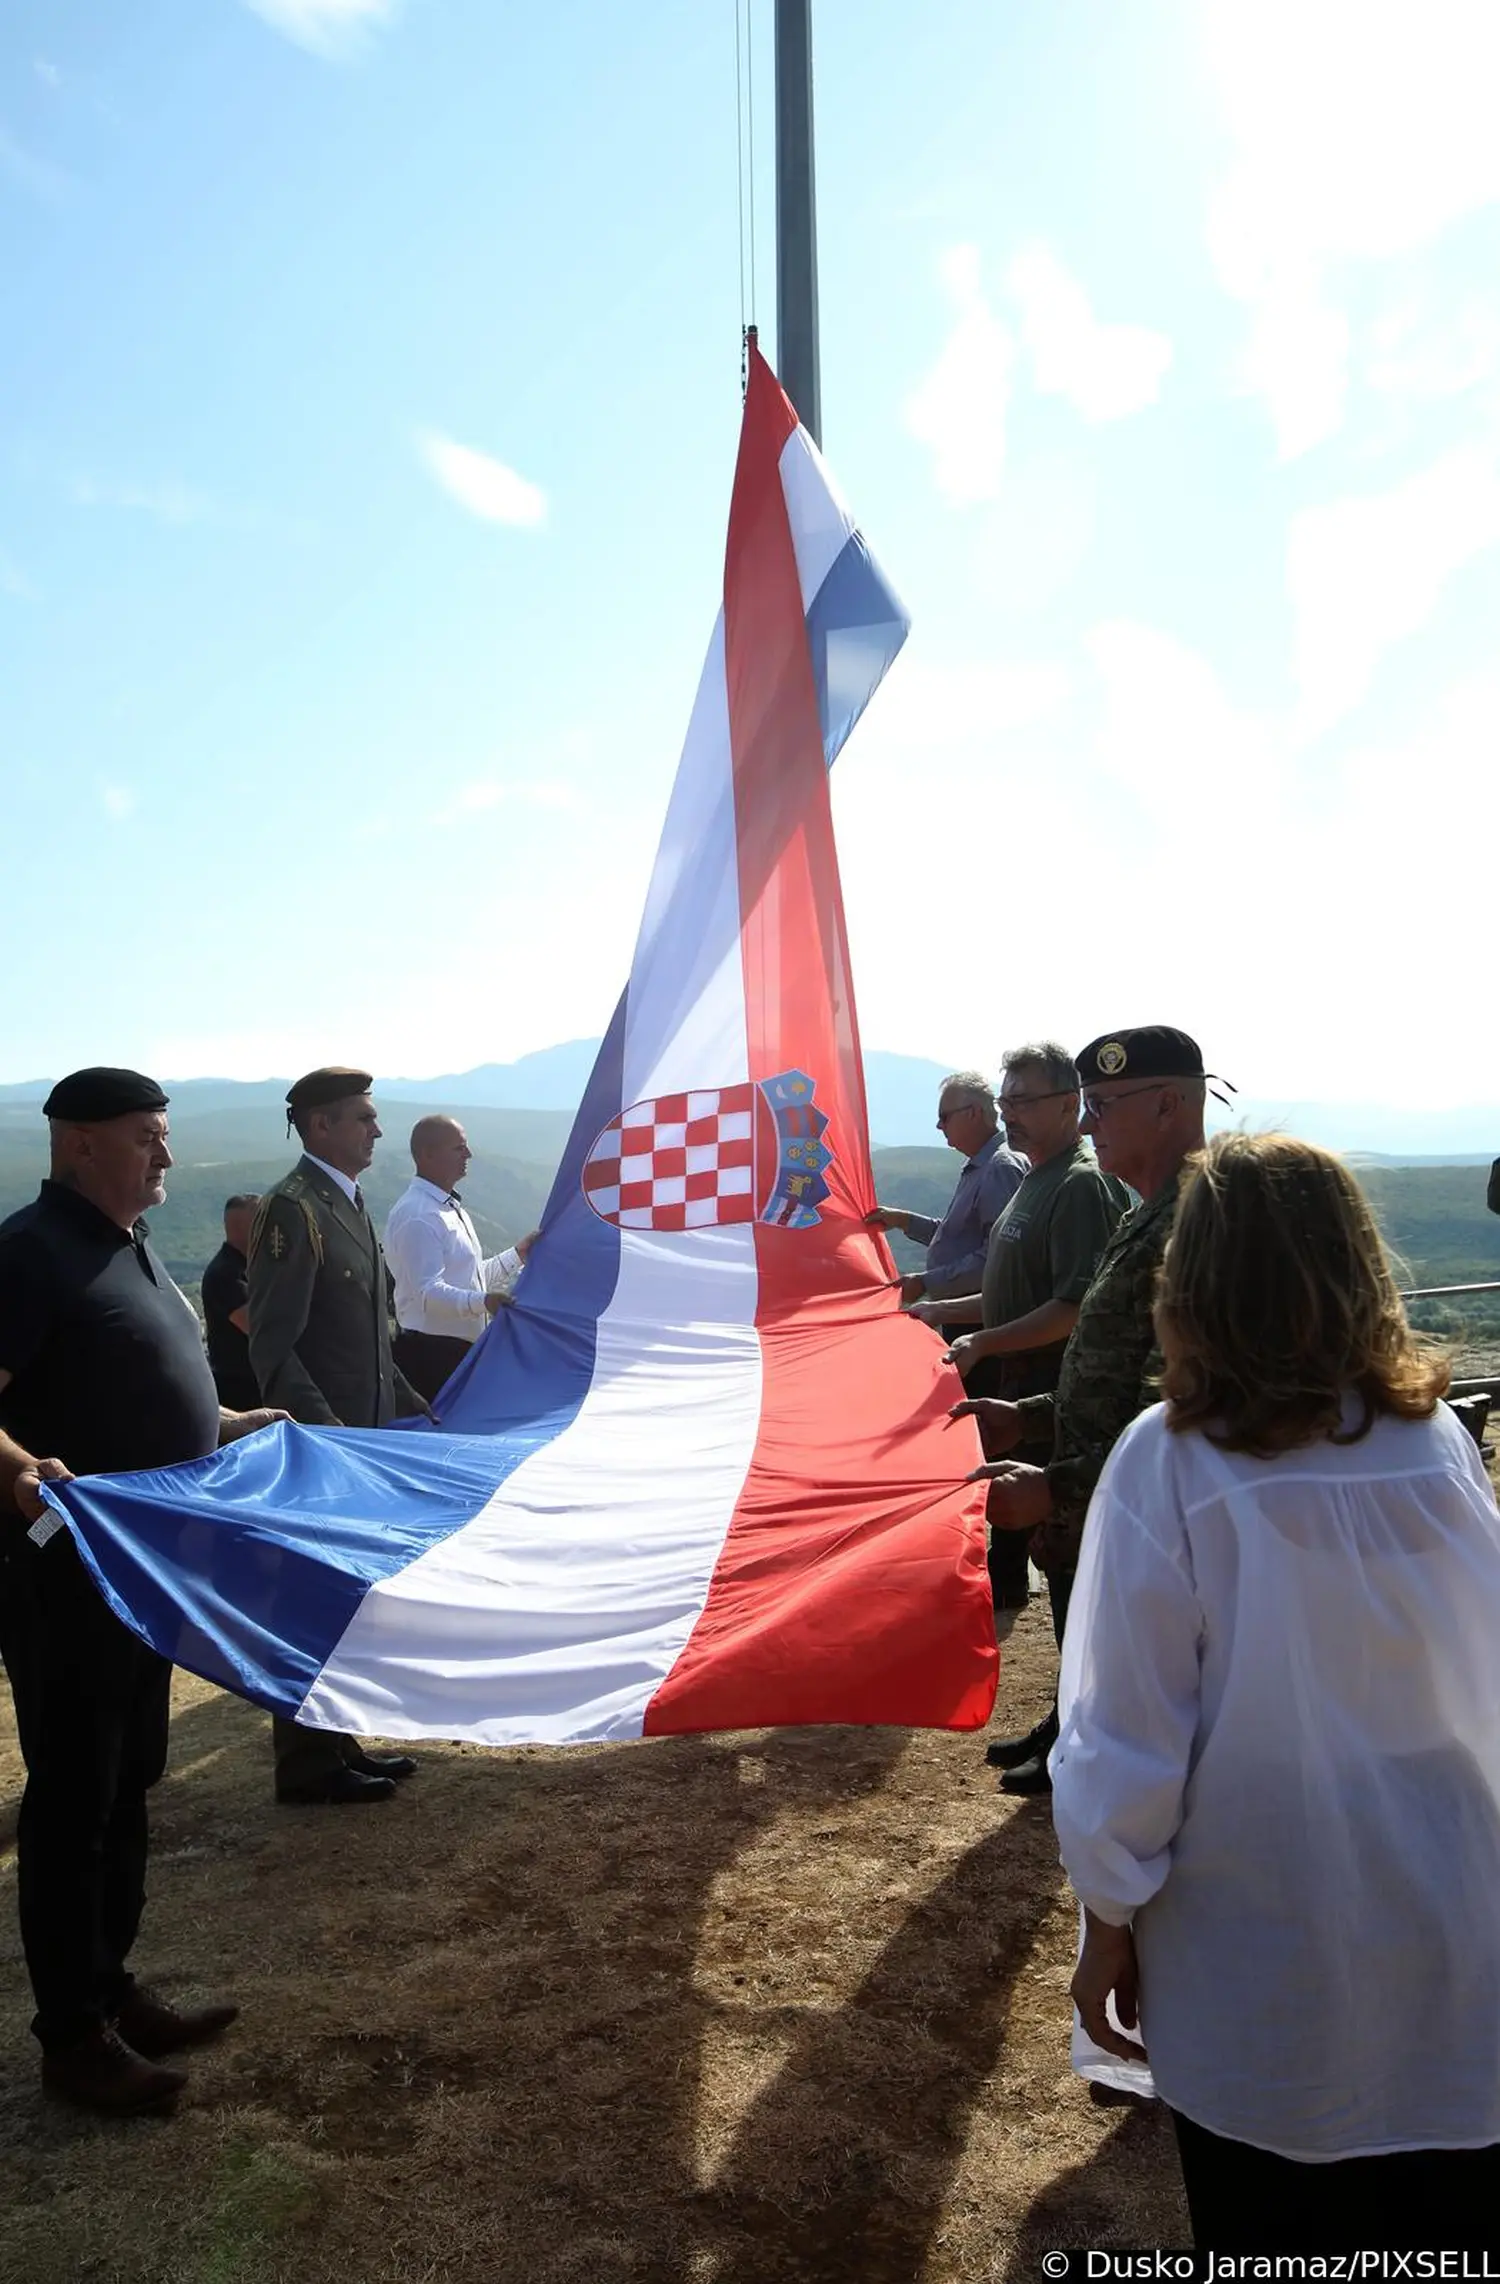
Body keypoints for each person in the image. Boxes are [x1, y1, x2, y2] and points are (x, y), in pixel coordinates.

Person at [1055, 1132, 1500, 2252]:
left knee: (1281, 2225)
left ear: (1191, 1282)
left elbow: (1125, 1741)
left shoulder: (1171, 1460)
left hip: (1263, 1913)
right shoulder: (1432, 1436)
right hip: (1450, 1889)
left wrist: (1108, 1919)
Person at [0, 1068, 284, 2114]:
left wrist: (232, 1428)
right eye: (145, 1138)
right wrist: (22, 1464)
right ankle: (72, 2038)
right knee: (75, 1798)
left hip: (146, 1571)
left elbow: (140, 1388)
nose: (166, 1155)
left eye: (167, 1136)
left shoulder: (124, 1248)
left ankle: (112, 1988)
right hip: (68, 1574)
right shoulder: (30, 1254)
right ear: (80, 1144)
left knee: (127, 1783)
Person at [964, 1026, 1212, 1796]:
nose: (1089, 1122)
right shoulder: (1148, 1211)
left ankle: (1095, 1755)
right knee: (1089, 1630)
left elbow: (1188, 1405)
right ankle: (1074, 1728)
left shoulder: (1205, 1222)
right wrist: (1030, 1416)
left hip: (1152, 1505)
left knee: (1140, 1669)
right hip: (1103, 1481)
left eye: (1101, 1104)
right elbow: (1115, 1367)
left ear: (1167, 1105)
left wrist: (1060, 1484)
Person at [911, 1045, 1129, 1662]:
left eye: (1024, 1101)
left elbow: (1071, 1305)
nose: (1011, 1115)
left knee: (1071, 1565)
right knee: (1049, 1554)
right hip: (1024, 1399)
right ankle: (1060, 1719)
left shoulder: (1081, 1185)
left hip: (1058, 1401)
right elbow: (1011, 1290)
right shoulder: (1036, 1176)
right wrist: (945, 1313)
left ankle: (1072, 1719)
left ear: (1069, 1103)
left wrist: (984, 1341)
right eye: (1007, 1101)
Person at [247, 1067, 427, 1807]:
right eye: (363, 1118)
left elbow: (369, 1334)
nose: (377, 1131)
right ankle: (307, 1764)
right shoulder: (294, 1210)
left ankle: (339, 1742)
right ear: (319, 1126)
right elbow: (273, 1345)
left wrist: (414, 1401)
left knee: (350, 1597)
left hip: (366, 1438)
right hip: (329, 1449)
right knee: (314, 1598)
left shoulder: (346, 1200)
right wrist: (329, 1435)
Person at [384, 1115, 538, 1403]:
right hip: (431, 1359)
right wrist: (484, 1302)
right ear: (428, 1154)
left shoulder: (446, 1208)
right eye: (459, 1148)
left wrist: (518, 1255)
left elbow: (470, 1278)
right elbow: (427, 1293)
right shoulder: (418, 1215)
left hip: (457, 1354)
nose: (468, 1154)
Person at [865, 1072, 1024, 1316]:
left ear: (972, 1113)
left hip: (978, 1320)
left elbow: (998, 1256)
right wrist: (904, 1221)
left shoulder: (999, 1168)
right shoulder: (982, 1165)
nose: (939, 1126)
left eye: (945, 1117)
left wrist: (926, 1282)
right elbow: (961, 1239)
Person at [201, 1193, 261, 1412]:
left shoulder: (248, 1267)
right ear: (243, 1227)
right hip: (239, 1390)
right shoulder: (226, 1273)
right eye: (261, 1219)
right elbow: (256, 1326)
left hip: (253, 1384)